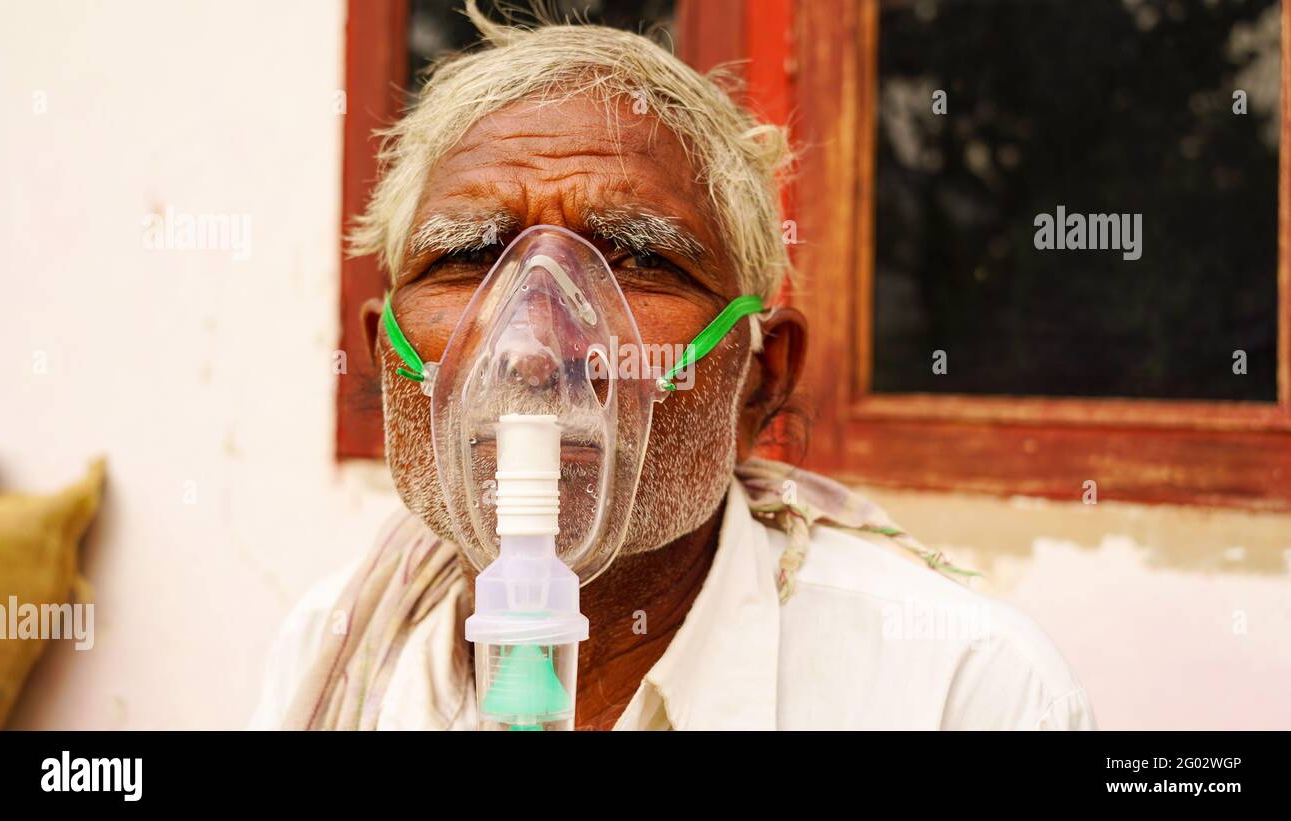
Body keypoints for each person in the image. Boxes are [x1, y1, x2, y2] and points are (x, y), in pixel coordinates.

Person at [249, 3, 1094, 731]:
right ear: (383, 362)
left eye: (637, 261)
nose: (534, 346)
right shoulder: (332, 649)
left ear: (761, 381)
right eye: (468, 256)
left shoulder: (962, 692)